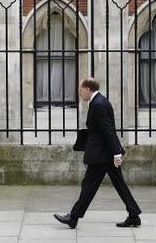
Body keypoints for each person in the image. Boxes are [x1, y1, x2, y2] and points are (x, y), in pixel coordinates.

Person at [54, 77, 142, 229]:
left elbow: (108, 130)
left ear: (88, 89)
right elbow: (102, 130)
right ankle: (134, 214)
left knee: (88, 185)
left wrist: (116, 154)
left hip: (102, 155)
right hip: (105, 153)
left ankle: (73, 217)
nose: (79, 93)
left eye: (80, 90)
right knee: (119, 185)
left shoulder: (99, 104)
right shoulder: (98, 101)